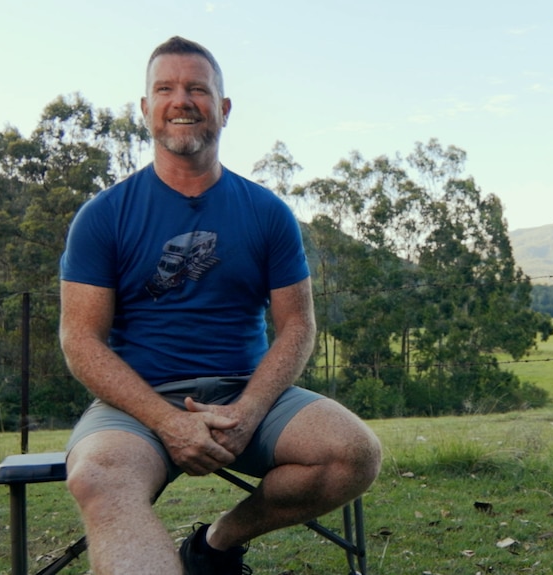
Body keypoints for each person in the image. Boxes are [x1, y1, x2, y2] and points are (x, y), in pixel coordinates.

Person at [59, 35, 382, 575]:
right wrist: (165, 421)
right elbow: (81, 340)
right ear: (145, 109)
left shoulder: (267, 213)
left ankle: (215, 547)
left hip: (244, 395)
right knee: (100, 478)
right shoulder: (103, 216)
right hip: (137, 404)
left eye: (197, 89)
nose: (181, 100)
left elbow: (297, 324)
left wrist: (249, 410)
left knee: (354, 454)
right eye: (164, 88)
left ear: (223, 109)